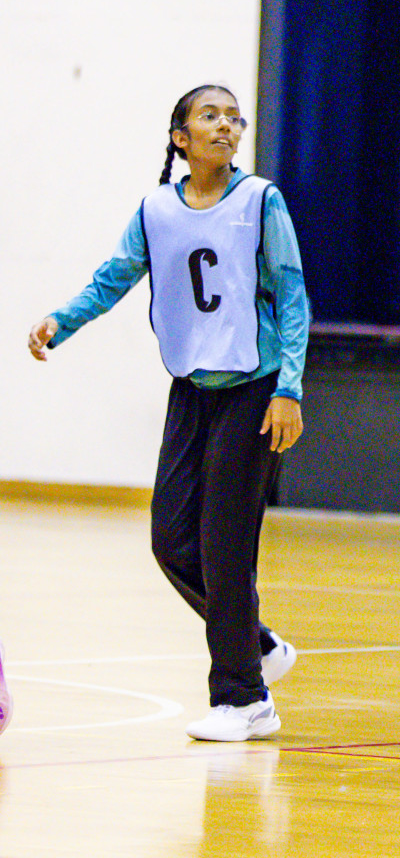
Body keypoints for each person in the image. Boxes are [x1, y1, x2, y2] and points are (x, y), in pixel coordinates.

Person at [27, 85, 309, 742]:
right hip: (191, 390)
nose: (225, 125)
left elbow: (292, 296)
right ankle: (255, 643)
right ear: (180, 138)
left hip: (253, 387)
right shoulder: (157, 210)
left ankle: (243, 698)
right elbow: (115, 275)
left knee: (224, 546)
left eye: (233, 117)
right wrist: (60, 322)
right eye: (209, 115)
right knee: (169, 540)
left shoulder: (260, 201)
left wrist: (289, 388)